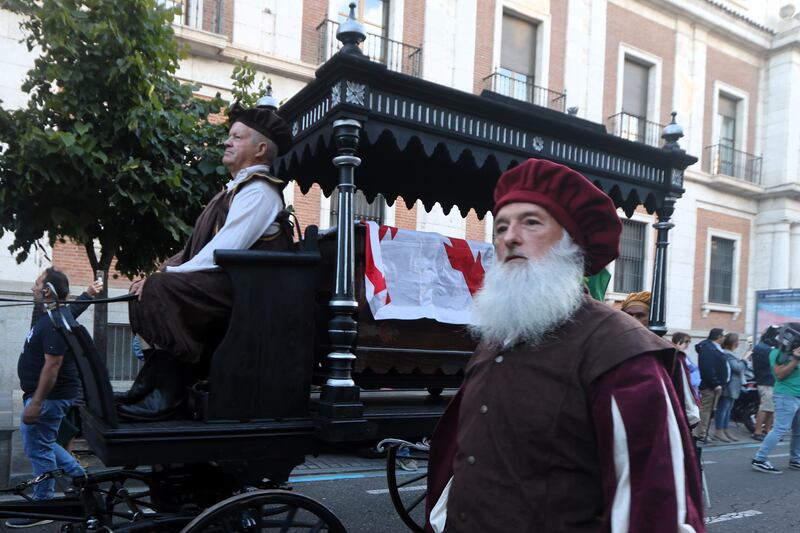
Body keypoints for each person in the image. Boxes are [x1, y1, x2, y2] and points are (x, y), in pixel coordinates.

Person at [425, 159, 704, 532]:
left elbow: (656, 501)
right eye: (502, 226)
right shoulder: (493, 341)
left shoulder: (619, 351)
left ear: (570, 244)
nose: (509, 237)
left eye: (532, 222)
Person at [119, 102, 294, 421]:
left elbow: (224, 249)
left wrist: (166, 277)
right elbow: (195, 249)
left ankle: (170, 394)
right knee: (143, 289)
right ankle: (153, 381)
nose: (227, 142)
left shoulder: (260, 192)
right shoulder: (233, 191)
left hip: (248, 297)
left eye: (237, 137)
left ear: (261, 149)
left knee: (158, 288)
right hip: (229, 288)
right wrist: (161, 271)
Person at [6, 269, 100, 529]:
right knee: (44, 442)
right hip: (47, 397)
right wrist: (88, 294)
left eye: (36, 284)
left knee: (38, 447)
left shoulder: (54, 321)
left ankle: (44, 505)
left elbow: (53, 365)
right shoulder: (50, 316)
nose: (32, 288)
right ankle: (80, 478)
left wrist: (36, 402)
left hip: (48, 398)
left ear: (47, 290)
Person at [750, 323, 800, 474]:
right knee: (780, 429)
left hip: (797, 395)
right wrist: (795, 359)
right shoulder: (777, 353)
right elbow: (780, 374)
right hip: (786, 395)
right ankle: (760, 459)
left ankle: (795, 459)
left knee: (798, 431)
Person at [694, 328, 729, 442]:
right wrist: (715, 383)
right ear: (719, 337)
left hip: (715, 385)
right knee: (706, 410)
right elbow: (707, 368)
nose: (724, 338)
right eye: (723, 336)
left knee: (708, 410)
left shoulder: (713, 347)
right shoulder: (708, 348)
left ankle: (704, 433)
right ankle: (702, 434)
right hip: (710, 386)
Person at [713, 333, 746, 443]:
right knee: (723, 408)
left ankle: (725, 429)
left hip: (733, 385)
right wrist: (745, 359)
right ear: (733, 342)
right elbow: (738, 368)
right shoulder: (727, 354)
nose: (739, 342)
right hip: (729, 385)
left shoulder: (730, 353)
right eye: (737, 340)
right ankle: (719, 430)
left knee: (728, 408)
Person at [751, 333, 775, 441]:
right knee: (765, 407)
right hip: (766, 382)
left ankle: (767, 430)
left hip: (768, 381)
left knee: (770, 408)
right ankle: (758, 431)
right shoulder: (764, 349)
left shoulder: (761, 347)